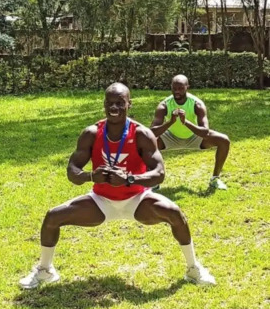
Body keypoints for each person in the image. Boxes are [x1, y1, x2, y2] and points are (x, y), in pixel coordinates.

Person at [19, 83, 215, 289]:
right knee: (53, 217)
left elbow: (159, 174)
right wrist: (91, 176)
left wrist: (129, 179)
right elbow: (72, 171)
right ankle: (45, 271)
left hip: (137, 199)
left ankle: (193, 269)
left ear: (129, 104)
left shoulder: (141, 133)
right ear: (104, 104)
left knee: (175, 214)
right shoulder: (91, 133)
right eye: (110, 103)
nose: (114, 107)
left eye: (120, 103)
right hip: (101, 200)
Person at [150, 74, 230, 190]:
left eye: (180, 88)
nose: (177, 92)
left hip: (194, 136)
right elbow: (151, 133)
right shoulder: (164, 105)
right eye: (174, 88)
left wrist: (185, 122)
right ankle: (154, 181)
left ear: (187, 87)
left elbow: (205, 132)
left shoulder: (197, 104)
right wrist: (171, 122)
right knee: (145, 143)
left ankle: (215, 179)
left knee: (224, 140)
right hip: (170, 137)